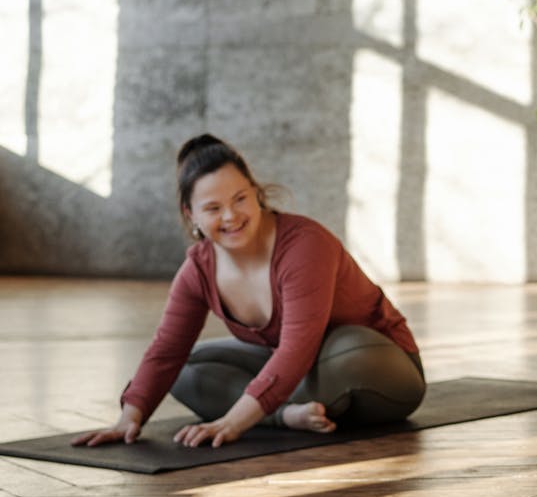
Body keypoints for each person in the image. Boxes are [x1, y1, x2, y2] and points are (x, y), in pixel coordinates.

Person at [74, 134, 426, 449]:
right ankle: (286, 415)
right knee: (185, 369)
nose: (231, 216)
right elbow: (166, 351)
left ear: (257, 194)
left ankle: (265, 410)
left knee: (347, 349)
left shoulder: (305, 245)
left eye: (240, 198)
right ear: (191, 214)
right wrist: (129, 419)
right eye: (213, 208)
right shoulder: (198, 269)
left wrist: (232, 422)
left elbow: (296, 349)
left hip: (380, 371)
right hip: (305, 378)